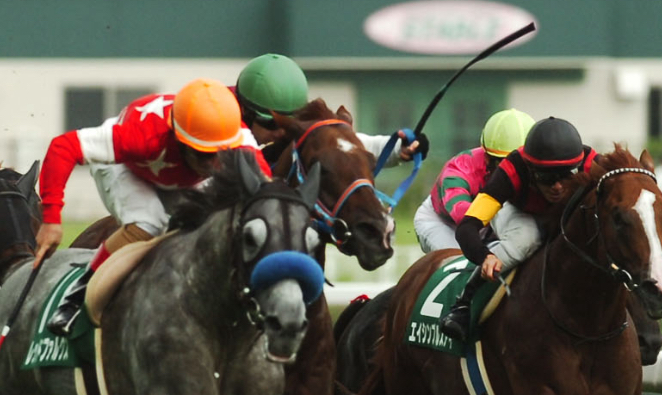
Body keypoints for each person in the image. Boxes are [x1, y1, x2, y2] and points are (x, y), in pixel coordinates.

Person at [35, 77, 273, 336]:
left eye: (221, 154)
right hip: (126, 167)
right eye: (204, 154)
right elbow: (63, 147)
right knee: (149, 223)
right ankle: (76, 296)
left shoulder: (237, 137)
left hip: (176, 171)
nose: (214, 165)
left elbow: (267, 194)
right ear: (180, 139)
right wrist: (51, 220)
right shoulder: (143, 136)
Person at [437, 116, 595, 341]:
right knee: (527, 239)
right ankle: (464, 304)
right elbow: (467, 227)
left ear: (578, 166)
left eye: (566, 176)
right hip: (518, 210)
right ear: (530, 170)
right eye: (546, 178)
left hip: (567, 211)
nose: (557, 186)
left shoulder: (592, 164)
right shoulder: (511, 171)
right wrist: (485, 257)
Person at [234, 52, 426, 166]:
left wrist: (397, 147)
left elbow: (338, 145)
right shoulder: (219, 123)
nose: (282, 132)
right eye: (272, 124)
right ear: (246, 112)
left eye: (289, 123)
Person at [413, 108, 534, 254]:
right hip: (444, 224)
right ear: (487, 156)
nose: (510, 170)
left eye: (519, 164)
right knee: (461, 259)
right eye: (501, 162)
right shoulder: (459, 169)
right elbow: (463, 216)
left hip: (487, 225)